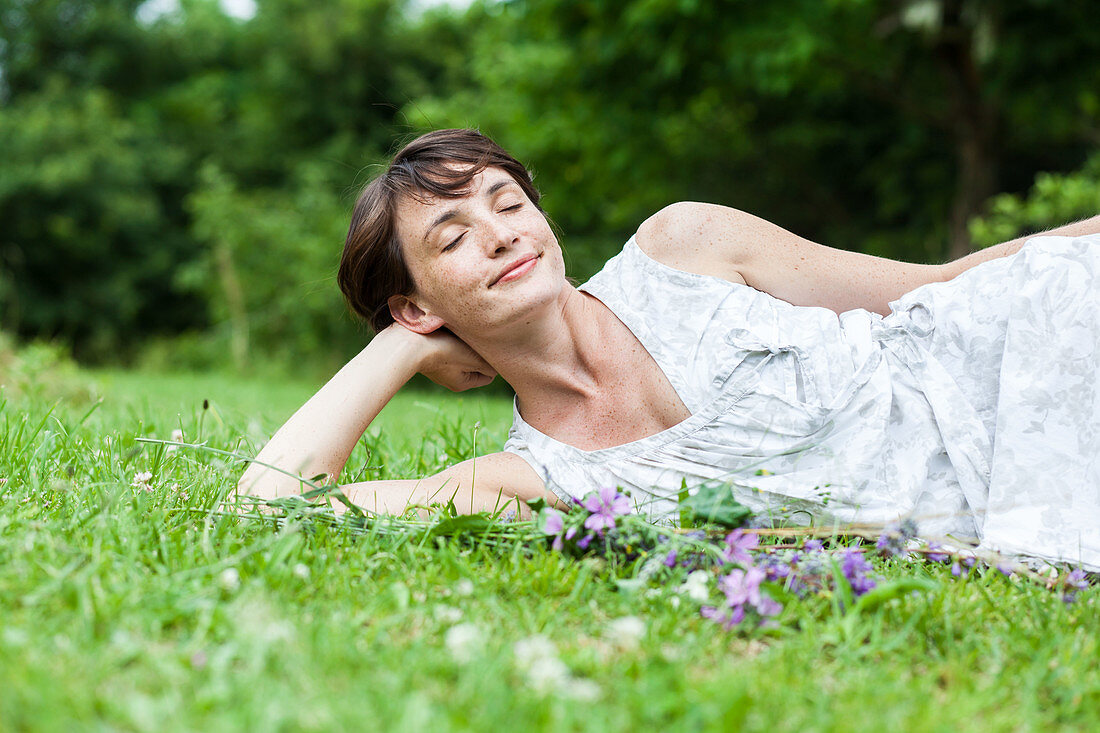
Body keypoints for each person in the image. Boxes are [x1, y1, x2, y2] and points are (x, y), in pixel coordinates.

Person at [238, 128, 1100, 570]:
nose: (500, 234)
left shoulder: (684, 246)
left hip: (1038, 344)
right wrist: (401, 351)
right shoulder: (528, 482)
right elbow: (270, 505)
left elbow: (942, 286)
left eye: (507, 201)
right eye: (453, 235)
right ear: (414, 302)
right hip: (1032, 501)